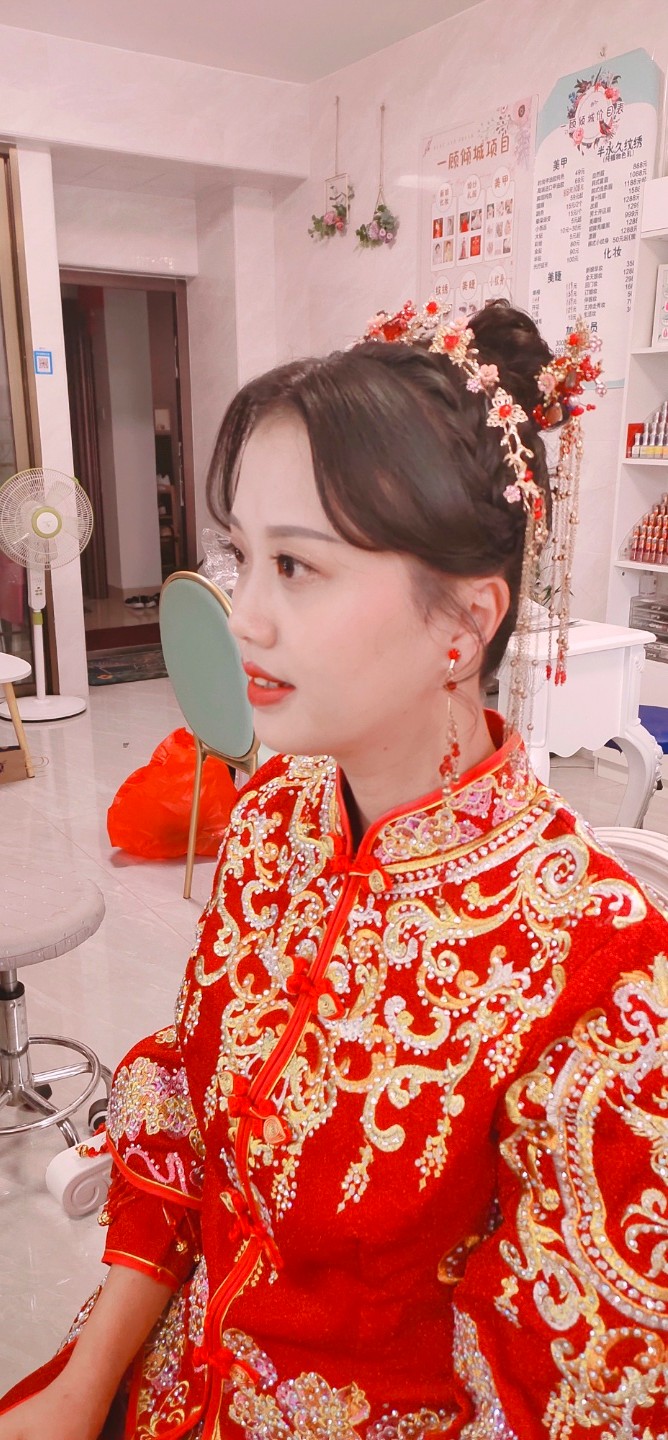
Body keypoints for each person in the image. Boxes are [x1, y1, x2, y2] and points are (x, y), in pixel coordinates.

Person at [1, 302, 666, 1440]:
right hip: (164, 1381)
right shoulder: (275, 819)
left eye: (297, 566)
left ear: (465, 619)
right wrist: (80, 1388)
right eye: (240, 557)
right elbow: (184, 1112)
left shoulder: (594, 973)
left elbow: (566, 1393)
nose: (242, 618)